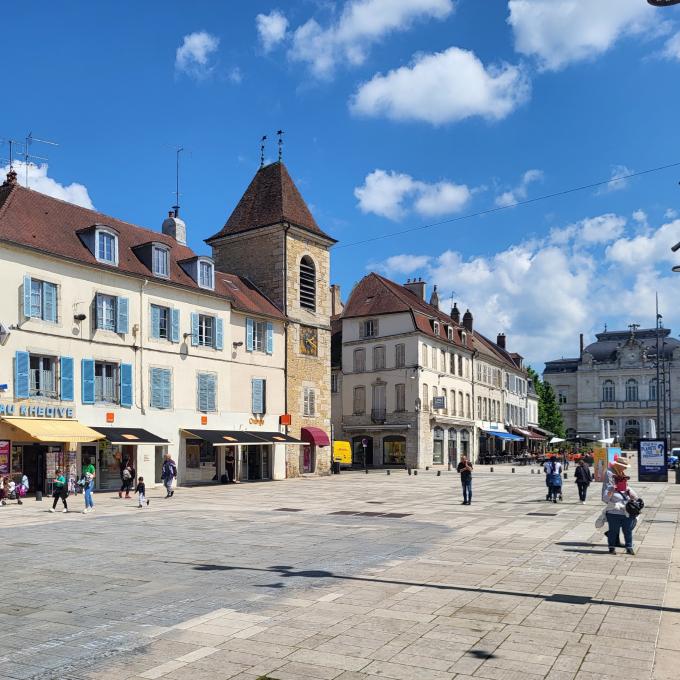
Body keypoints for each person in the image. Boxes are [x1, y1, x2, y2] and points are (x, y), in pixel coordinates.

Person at [602, 453, 638, 555]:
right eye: (624, 466)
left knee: (628, 530)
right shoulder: (610, 473)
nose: (625, 468)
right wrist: (613, 490)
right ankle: (612, 547)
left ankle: (629, 547)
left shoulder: (621, 474)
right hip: (614, 509)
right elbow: (606, 496)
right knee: (613, 530)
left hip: (626, 510)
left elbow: (629, 490)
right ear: (618, 465)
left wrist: (632, 494)